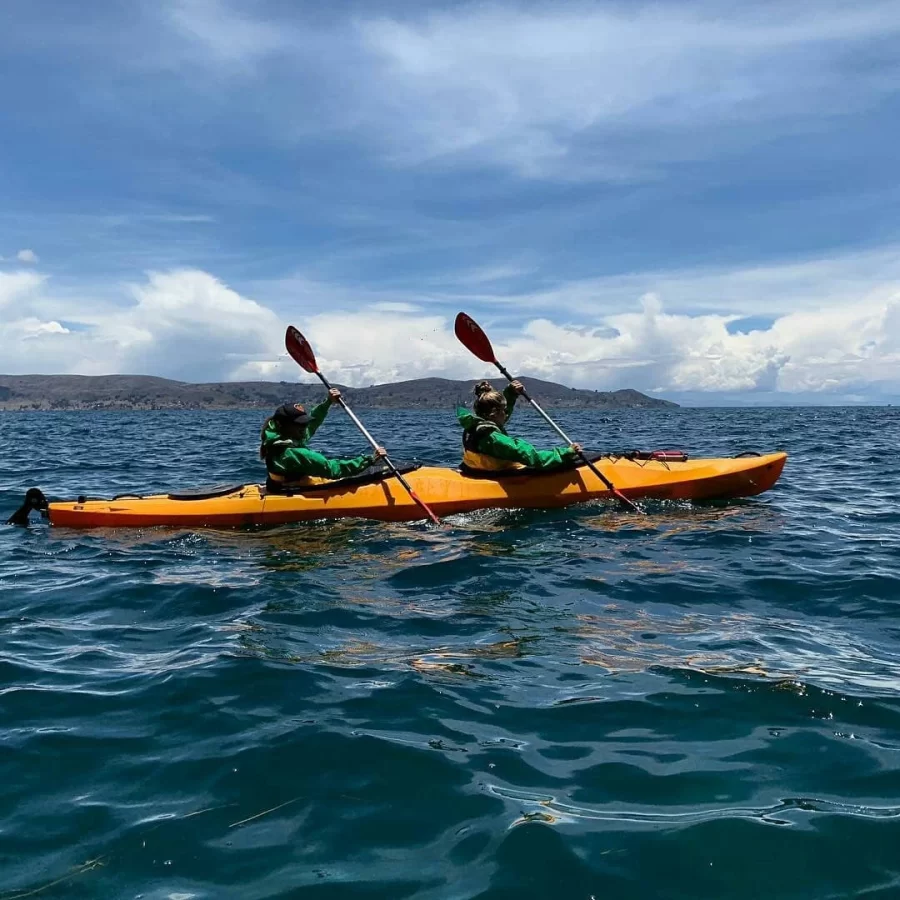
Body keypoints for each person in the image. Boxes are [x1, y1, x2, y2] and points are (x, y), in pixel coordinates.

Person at [260, 388, 386, 486]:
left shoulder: (279, 437)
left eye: (304, 423)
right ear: (284, 425)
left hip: (283, 484)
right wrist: (370, 460)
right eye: (300, 424)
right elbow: (332, 469)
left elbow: (313, 424)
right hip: (293, 489)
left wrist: (329, 401)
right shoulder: (293, 453)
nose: (304, 427)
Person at [456, 380, 582, 473]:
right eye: (504, 411)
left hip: (472, 469)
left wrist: (510, 393)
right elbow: (532, 457)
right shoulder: (494, 439)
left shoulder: (475, 425)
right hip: (493, 473)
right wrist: (567, 452)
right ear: (494, 413)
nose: (506, 415)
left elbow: (501, 416)